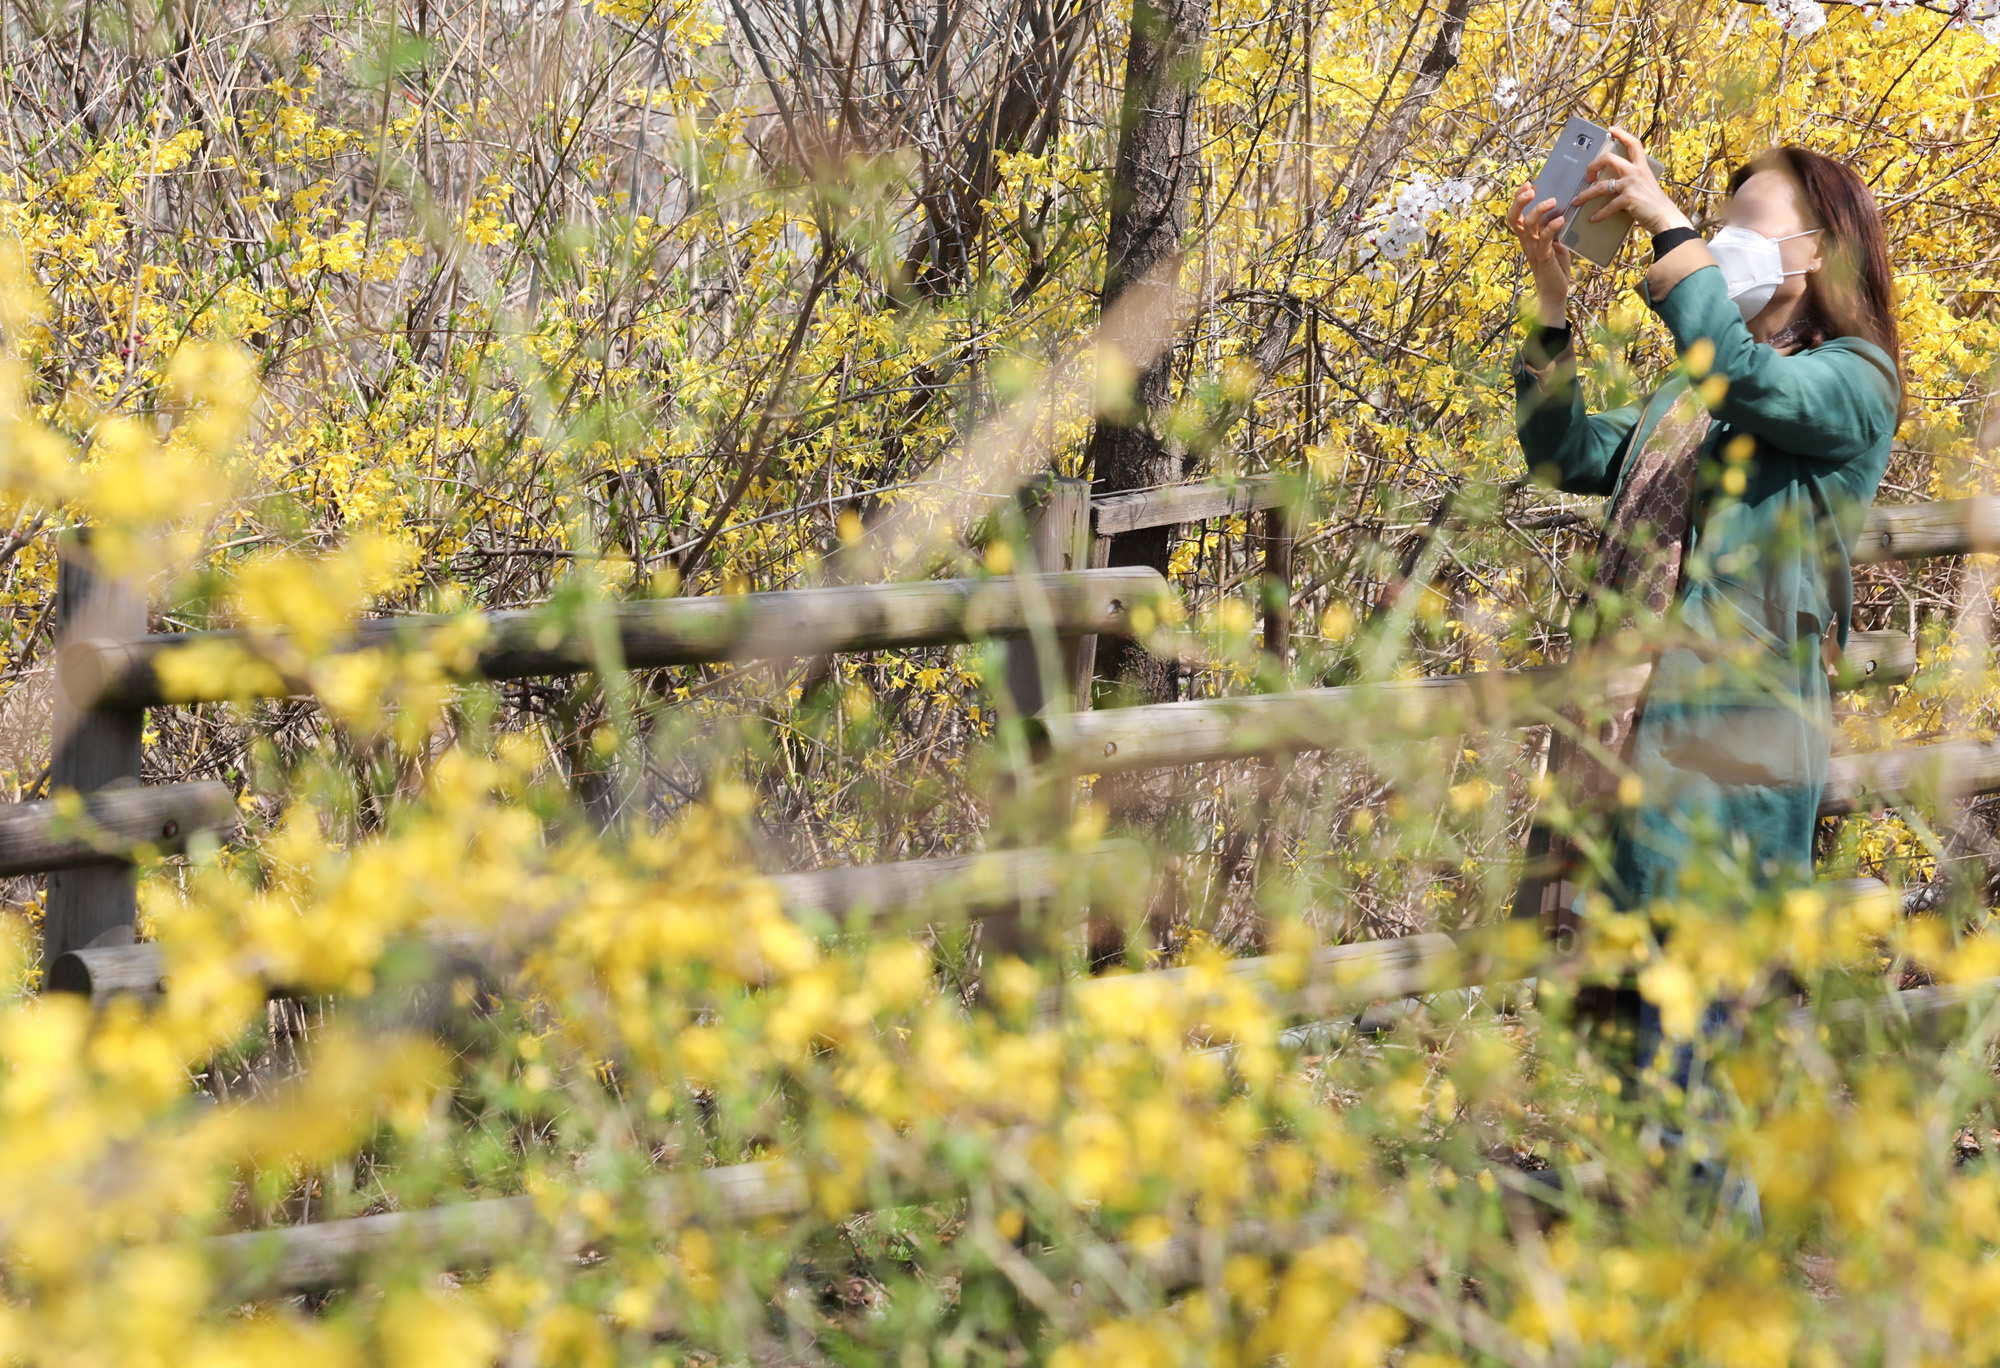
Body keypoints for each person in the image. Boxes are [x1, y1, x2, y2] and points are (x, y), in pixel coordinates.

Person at [1505, 132, 1904, 914]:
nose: (1719, 246)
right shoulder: (1688, 400)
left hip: (1723, 762)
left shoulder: (1857, 376)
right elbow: (1564, 452)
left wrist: (1665, 225)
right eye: (1711, 228)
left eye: (1742, 227)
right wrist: (1550, 297)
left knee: (1696, 1013)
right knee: (1602, 1017)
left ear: (1817, 251)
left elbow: (1741, 378)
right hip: (1619, 749)